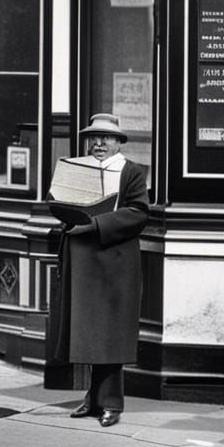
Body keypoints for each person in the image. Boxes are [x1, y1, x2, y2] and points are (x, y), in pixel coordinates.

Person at [54, 113, 149, 428]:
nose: (98, 143)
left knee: (111, 334)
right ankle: (93, 400)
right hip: (83, 258)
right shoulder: (78, 169)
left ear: (118, 142)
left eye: (105, 138)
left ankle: (112, 404)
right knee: (92, 333)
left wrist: (94, 224)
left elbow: (138, 213)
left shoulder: (131, 172)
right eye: (93, 138)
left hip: (115, 260)